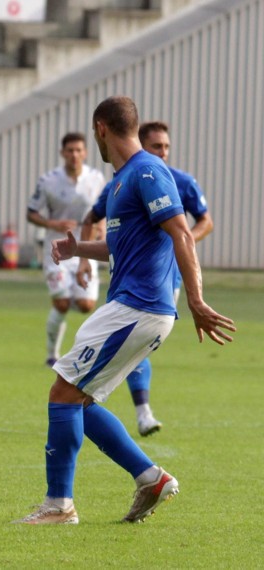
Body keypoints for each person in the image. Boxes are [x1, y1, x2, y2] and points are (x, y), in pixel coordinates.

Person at [15, 95, 235, 525]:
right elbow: (122, 245)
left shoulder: (148, 171)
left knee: (63, 391)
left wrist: (195, 299)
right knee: (78, 399)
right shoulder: (121, 181)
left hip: (140, 306)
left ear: (100, 128)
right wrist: (81, 248)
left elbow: (183, 235)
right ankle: (150, 478)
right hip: (128, 305)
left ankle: (59, 506)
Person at [79, 120, 214, 436]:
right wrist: (82, 257)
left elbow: (205, 222)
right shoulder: (125, 179)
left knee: (137, 340)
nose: (163, 152)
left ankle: (137, 413)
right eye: (156, 146)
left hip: (167, 279)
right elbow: (92, 218)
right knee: (133, 342)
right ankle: (141, 413)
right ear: (140, 144)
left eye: (166, 146)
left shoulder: (179, 180)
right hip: (129, 278)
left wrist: (179, 242)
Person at [26, 132, 106, 367]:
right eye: (70, 150)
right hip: (57, 249)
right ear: (62, 153)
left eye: (79, 150)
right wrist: (53, 224)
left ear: (85, 153)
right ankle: (52, 354)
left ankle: (70, 296)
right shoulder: (48, 180)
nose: (74, 155)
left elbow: (105, 208)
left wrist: (101, 227)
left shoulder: (96, 178)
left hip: (86, 248)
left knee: (85, 306)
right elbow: (31, 212)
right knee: (61, 303)